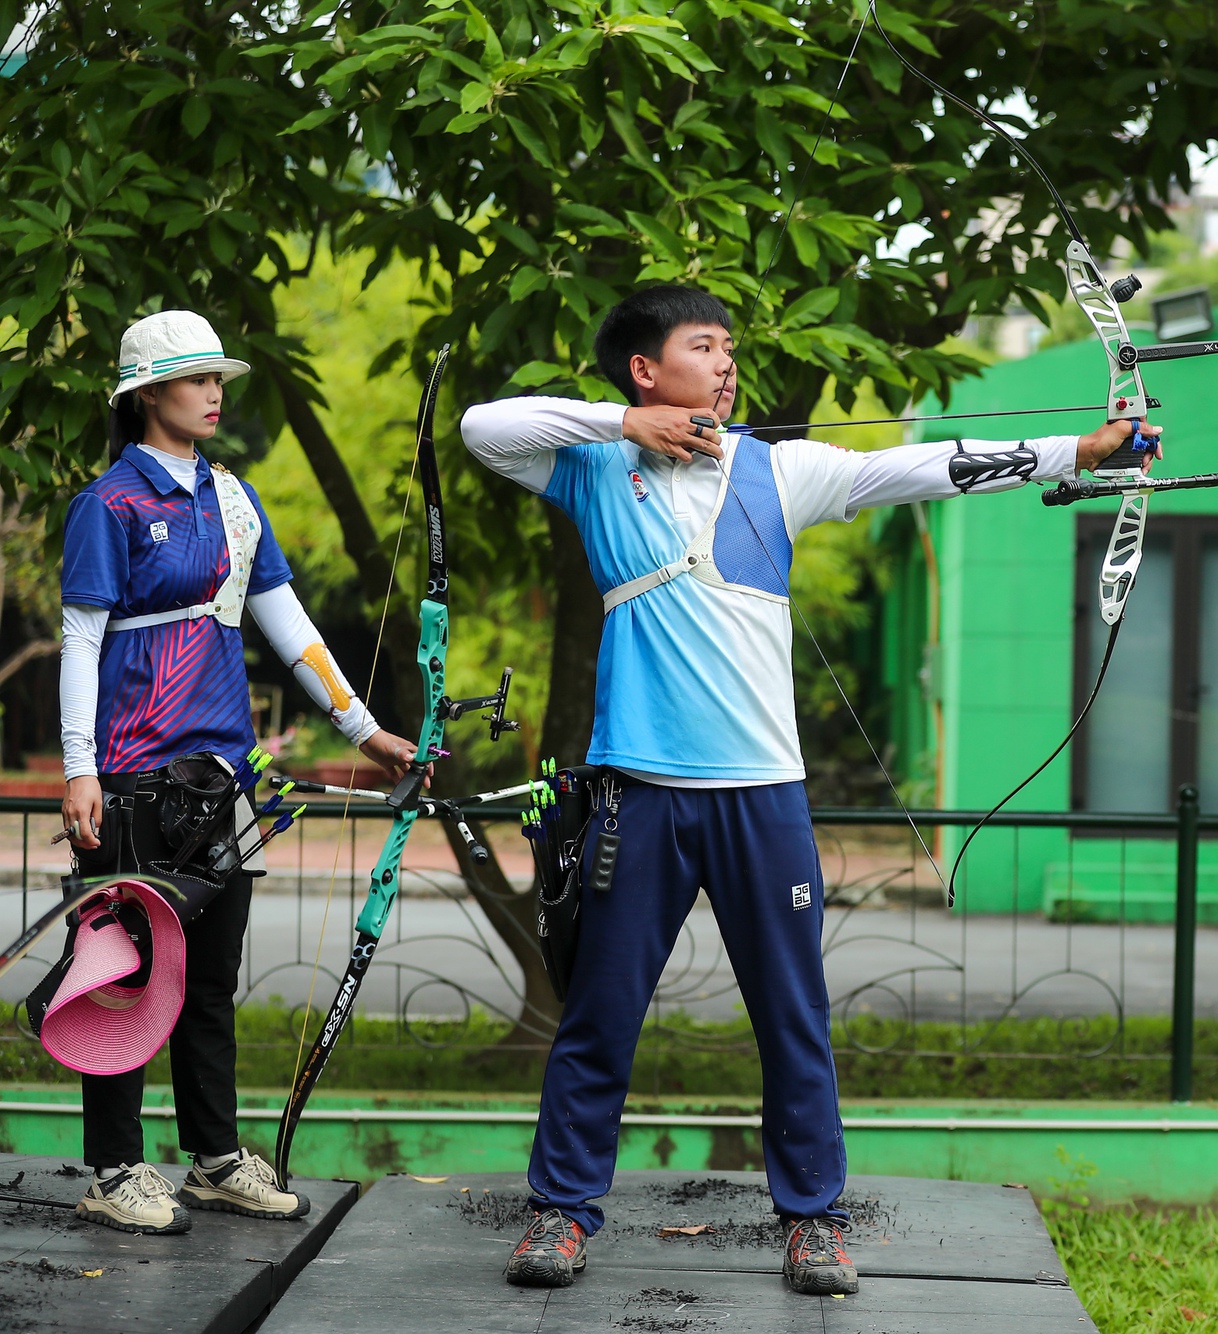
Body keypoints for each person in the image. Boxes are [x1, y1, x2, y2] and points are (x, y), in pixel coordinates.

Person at [462, 284, 1158, 1294]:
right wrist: (625, 421)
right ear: (646, 368)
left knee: (792, 1012)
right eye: (704, 346)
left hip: (763, 797)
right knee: (600, 1011)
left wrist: (1085, 451)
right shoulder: (591, 470)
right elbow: (487, 425)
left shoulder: (779, 470)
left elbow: (926, 466)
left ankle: (814, 1217)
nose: (728, 362)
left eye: (731, 347)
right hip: (640, 792)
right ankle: (562, 1209)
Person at [58, 309, 421, 1234]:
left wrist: (366, 729)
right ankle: (112, 1170)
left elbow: (289, 626)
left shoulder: (234, 499)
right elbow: (81, 639)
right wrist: (79, 768)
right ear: (147, 394)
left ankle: (214, 1158)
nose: (215, 392)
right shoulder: (109, 506)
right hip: (134, 775)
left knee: (207, 981)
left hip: (220, 779)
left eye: (220, 377)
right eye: (194, 378)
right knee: (121, 978)